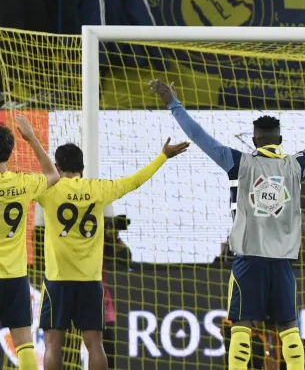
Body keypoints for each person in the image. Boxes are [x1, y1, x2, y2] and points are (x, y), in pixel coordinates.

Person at [148, 79, 305, 370]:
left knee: (241, 325)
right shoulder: (296, 164)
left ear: (254, 141)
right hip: (283, 262)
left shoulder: (238, 162)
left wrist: (172, 102)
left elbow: (198, 135)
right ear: (280, 140)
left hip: (248, 261)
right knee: (289, 327)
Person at [30, 139, 189, 370]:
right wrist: (162, 156)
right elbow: (135, 181)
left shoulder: (48, 189)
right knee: (95, 344)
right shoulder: (99, 188)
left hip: (57, 281)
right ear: (82, 169)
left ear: (57, 166)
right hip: (90, 281)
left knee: (53, 345)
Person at [0, 115, 59, 370]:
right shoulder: (23, 183)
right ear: (10, 152)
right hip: (15, 276)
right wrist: (32, 139)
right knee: (24, 342)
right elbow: (53, 174)